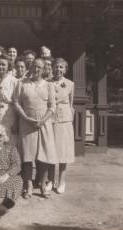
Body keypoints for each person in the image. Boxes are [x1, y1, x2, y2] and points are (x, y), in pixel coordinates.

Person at [13, 58, 57, 198]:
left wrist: (42, 121)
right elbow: (16, 103)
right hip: (26, 124)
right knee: (27, 156)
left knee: (43, 155)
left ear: (44, 69)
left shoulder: (49, 85)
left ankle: (43, 185)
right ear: (30, 67)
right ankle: (29, 186)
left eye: (39, 67)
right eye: (34, 66)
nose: (36, 69)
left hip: (43, 125)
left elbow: (52, 107)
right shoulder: (22, 84)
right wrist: (25, 118)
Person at [50, 58, 75, 194]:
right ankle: (51, 179)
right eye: (56, 67)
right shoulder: (48, 83)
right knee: (51, 150)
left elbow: (70, 105)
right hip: (51, 119)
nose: (58, 70)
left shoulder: (70, 84)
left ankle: (62, 181)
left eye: (61, 67)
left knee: (63, 152)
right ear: (52, 68)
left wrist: (69, 118)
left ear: (65, 70)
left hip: (64, 120)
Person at [0, 55, 19, 145]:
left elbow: (17, 103)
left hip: (9, 115)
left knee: (9, 141)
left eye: (3, 64)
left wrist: (16, 122)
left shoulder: (14, 81)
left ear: (8, 66)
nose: (1, 67)